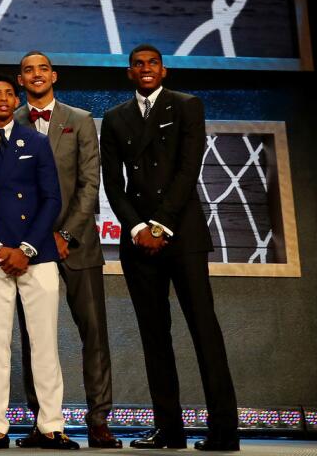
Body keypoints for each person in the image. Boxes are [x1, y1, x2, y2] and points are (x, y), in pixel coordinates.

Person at [100, 45, 238, 453]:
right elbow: (113, 183)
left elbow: (187, 170)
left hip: (183, 235)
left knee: (205, 331)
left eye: (152, 64)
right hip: (139, 240)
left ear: (164, 70)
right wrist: (139, 227)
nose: (146, 69)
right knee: (154, 337)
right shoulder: (114, 118)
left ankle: (223, 430)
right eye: (138, 65)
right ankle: (169, 430)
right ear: (130, 73)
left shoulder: (188, 106)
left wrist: (160, 224)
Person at [0, 75, 72, 451]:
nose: (4, 99)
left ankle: (52, 425)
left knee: (44, 345)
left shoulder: (35, 141)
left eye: (9, 93)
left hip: (36, 257)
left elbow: (52, 199)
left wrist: (26, 249)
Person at [15, 52, 119, 449]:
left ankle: (98, 421)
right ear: (20, 79)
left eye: (43, 68)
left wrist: (67, 235)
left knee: (93, 333)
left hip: (78, 246)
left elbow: (90, 184)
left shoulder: (78, 120)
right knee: (34, 337)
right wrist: (34, 240)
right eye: (29, 70)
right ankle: (42, 421)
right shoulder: (11, 122)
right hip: (30, 248)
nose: (36, 75)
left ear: (53, 75)